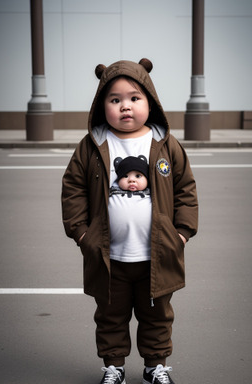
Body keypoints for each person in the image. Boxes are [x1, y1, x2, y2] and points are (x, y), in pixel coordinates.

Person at [62, 58, 198, 384]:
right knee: (111, 315)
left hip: (158, 254)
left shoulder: (164, 144)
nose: (126, 106)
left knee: (157, 316)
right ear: (102, 105)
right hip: (110, 257)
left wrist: (181, 233)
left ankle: (155, 367)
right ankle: (114, 367)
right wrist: (83, 235)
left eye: (134, 98)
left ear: (149, 101)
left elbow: (185, 188)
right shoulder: (93, 145)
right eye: (115, 99)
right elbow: (73, 189)